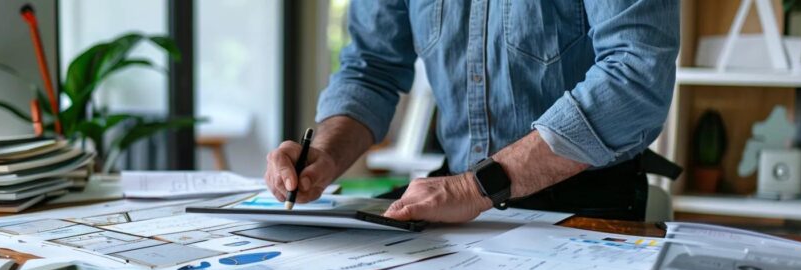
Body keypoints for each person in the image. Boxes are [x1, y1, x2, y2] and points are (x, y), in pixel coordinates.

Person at [265, 1, 679, 222]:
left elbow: (637, 75)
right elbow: (371, 68)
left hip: (587, 200)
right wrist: (326, 152)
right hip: (453, 198)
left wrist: (472, 189)